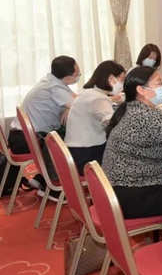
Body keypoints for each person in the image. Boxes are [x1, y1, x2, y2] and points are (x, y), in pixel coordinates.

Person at [102, 66, 162, 219]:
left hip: (112, 192)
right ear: (141, 90)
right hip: (135, 196)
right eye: (159, 83)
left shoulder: (127, 109)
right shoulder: (151, 116)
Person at [6, 56, 80, 196]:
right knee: (66, 142)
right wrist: (70, 106)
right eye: (77, 73)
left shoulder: (52, 81)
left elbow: (76, 100)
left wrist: (68, 107)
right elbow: (81, 106)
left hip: (20, 137)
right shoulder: (55, 88)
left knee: (62, 135)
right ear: (67, 77)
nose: (79, 75)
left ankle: (41, 178)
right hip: (25, 141)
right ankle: (53, 187)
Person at [64, 60, 125, 175]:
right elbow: (114, 126)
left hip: (75, 152)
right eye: (121, 79)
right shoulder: (99, 98)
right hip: (87, 156)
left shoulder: (88, 93)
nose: (122, 84)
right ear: (111, 79)